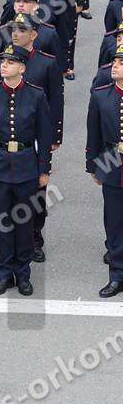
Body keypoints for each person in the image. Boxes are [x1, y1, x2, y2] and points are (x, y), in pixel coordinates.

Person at [0, 45, 52, 296]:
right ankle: (4, 273)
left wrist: (44, 169)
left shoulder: (36, 95)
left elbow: (44, 135)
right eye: (3, 62)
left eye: (10, 62)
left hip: (26, 165)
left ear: (22, 68)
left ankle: (23, 274)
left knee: (24, 223)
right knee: (3, 223)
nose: (4, 65)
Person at [86, 48, 123, 298]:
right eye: (115, 61)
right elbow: (94, 134)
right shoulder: (101, 96)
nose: (115, 65)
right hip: (112, 163)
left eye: (121, 62)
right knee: (114, 223)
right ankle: (117, 275)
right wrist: (93, 166)